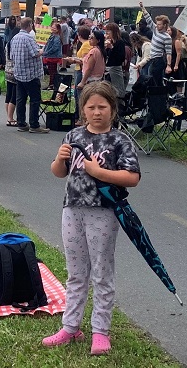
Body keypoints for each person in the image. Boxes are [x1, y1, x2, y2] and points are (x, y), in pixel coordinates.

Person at [45, 81, 141, 356]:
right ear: (83, 110)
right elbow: (59, 173)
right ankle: (70, 326)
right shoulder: (73, 135)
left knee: (101, 272)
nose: (97, 112)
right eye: (91, 107)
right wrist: (59, 159)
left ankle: (100, 331)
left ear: (113, 109)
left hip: (103, 212)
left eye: (103, 107)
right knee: (76, 273)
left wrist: (100, 173)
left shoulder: (119, 140)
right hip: (72, 209)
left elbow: (132, 177)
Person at [10, 17, 49, 134]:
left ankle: (21, 123)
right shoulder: (29, 38)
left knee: (21, 99)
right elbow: (35, 53)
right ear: (30, 25)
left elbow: (11, 56)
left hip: (19, 73)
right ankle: (34, 124)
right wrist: (42, 50)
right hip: (30, 74)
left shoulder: (14, 38)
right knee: (34, 100)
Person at [138, 1, 172, 83]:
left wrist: (168, 65)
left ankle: (159, 90)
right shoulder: (155, 29)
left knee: (155, 80)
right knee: (152, 79)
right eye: (157, 24)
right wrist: (142, 7)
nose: (157, 26)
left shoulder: (167, 37)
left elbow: (168, 52)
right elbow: (148, 18)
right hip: (152, 59)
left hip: (158, 59)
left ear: (164, 25)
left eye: (159, 24)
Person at [65, 25, 92, 123]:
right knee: (76, 94)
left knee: (79, 94)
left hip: (80, 70)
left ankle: (81, 117)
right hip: (78, 69)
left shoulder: (85, 45)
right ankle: (77, 115)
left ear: (79, 35)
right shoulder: (85, 44)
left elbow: (84, 61)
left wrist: (73, 60)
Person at [103, 23, 127, 98]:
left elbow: (121, 57)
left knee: (117, 89)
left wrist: (112, 48)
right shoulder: (110, 41)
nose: (106, 33)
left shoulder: (120, 42)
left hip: (115, 68)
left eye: (108, 31)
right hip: (108, 68)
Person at [42, 23, 64, 90]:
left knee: (52, 72)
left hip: (53, 57)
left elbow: (54, 48)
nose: (53, 29)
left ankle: (52, 85)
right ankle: (53, 84)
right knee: (52, 71)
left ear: (58, 30)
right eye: (52, 27)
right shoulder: (53, 36)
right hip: (51, 56)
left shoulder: (56, 37)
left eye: (54, 28)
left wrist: (46, 52)